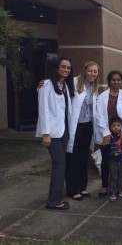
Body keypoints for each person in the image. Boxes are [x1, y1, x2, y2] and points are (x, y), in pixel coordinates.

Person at [36, 57, 74, 210]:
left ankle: (55, 197)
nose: (66, 70)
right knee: (59, 164)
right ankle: (53, 201)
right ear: (56, 67)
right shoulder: (47, 84)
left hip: (63, 131)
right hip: (52, 133)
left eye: (68, 68)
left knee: (61, 164)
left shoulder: (64, 85)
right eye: (63, 67)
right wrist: (46, 133)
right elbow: (43, 109)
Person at [65, 61, 99, 201]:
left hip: (87, 126)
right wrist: (43, 84)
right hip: (75, 126)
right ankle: (72, 190)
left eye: (95, 72)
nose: (92, 74)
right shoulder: (73, 82)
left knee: (84, 157)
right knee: (73, 158)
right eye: (90, 71)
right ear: (84, 71)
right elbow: (57, 86)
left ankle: (82, 187)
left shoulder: (93, 87)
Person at [96, 70, 122, 197]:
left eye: (118, 79)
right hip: (106, 134)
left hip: (120, 134)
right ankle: (105, 186)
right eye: (113, 79)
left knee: (120, 160)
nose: (116, 82)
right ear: (109, 81)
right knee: (106, 160)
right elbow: (99, 115)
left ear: (121, 81)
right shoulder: (102, 96)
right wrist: (105, 132)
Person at [104, 116, 122, 202]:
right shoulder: (110, 136)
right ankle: (112, 192)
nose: (116, 127)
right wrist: (105, 143)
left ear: (121, 126)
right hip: (112, 160)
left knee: (121, 176)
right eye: (114, 126)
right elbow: (105, 147)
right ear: (110, 127)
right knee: (113, 176)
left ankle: (120, 190)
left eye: (118, 125)